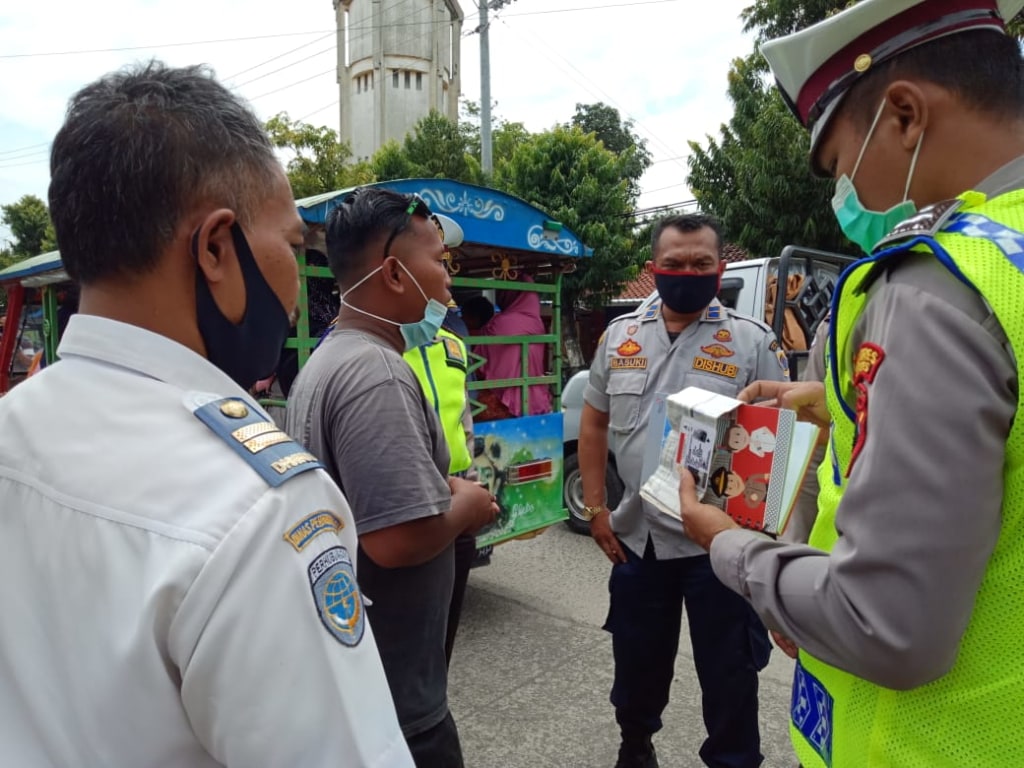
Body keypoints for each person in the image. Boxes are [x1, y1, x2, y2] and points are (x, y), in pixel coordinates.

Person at [0, 62, 412, 767]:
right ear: (216, 247)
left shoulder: (16, 425)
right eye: (288, 245)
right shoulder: (260, 509)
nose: (293, 283)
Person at [678, 2, 1024, 766]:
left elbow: (884, 621)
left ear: (903, 115)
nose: (846, 199)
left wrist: (729, 545)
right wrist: (836, 405)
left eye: (839, 166)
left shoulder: (938, 287)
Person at [284, 187, 499, 768]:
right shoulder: (377, 372)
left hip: (365, 683)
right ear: (395, 274)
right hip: (398, 707)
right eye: (437, 260)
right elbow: (397, 539)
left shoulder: (331, 358)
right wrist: (469, 505)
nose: (448, 279)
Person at [578, 213, 790, 768]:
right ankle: (635, 745)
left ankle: (734, 759)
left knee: (730, 671)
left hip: (717, 543)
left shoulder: (751, 343)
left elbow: (779, 448)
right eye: (674, 263)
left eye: (701, 263)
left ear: (720, 269)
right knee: (637, 661)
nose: (687, 272)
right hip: (637, 538)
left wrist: (764, 540)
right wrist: (597, 507)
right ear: (654, 269)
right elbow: (595, 422)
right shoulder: (618, 336)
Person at [404, 302, 482, 666]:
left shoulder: (453, 344)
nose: (447, 283)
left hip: (459, 493)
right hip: (412, 495)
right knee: (409, 624)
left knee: (448, 618)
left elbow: (463, 412)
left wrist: (472, 470)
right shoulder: (380, 348)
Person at [476, 275, 553, 418]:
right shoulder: (538, 323)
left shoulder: (499, 323)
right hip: (538, 401)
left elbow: (479, 361)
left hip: (505, 405)